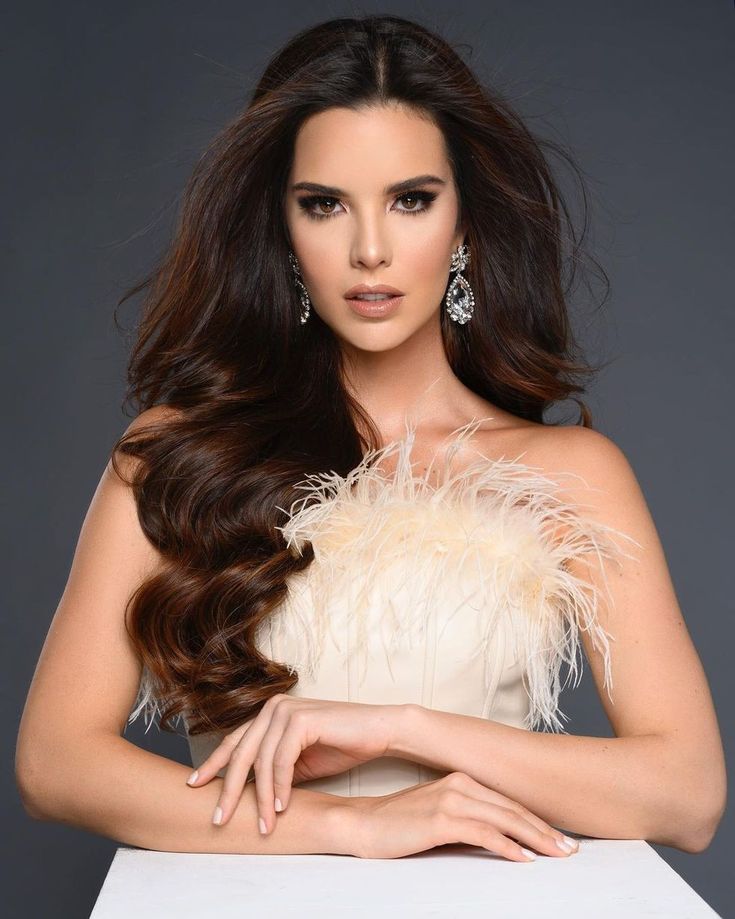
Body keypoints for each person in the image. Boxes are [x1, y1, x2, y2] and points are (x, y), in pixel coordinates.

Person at [15, 14, 725, 863]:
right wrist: (349, 826)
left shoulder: (567, 473)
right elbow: (54, 764)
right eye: (324, 205)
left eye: (411, 200)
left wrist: (404, 729)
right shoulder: (179, 451)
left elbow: (687, 797)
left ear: (465, 224)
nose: (370, 250)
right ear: (282, 229)